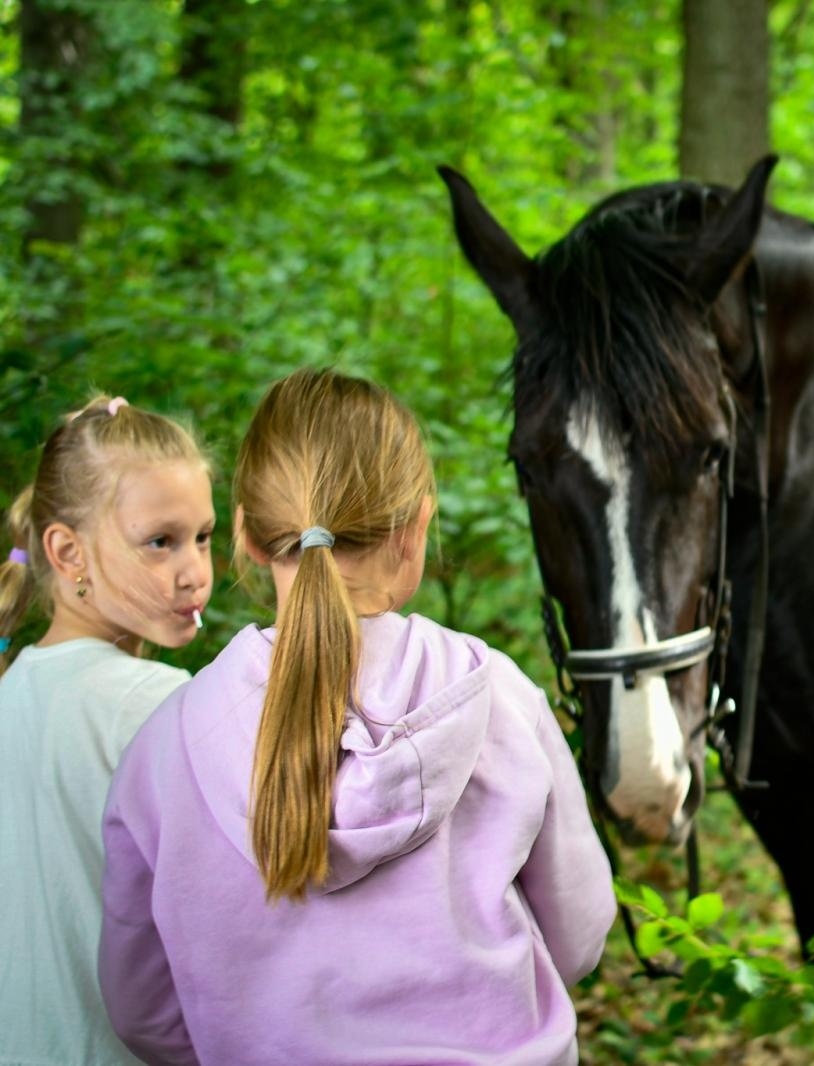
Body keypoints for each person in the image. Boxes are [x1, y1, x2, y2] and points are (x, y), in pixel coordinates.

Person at [98, 369, 616, 1066]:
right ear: (416, 528)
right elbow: (579, 937)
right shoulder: (499, 699)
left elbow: (144, 1012)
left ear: (248, 536)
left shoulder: (165, 750)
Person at [0, 396, 214, 1066]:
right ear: (69, 554)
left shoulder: (14, 690)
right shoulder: (153, 702)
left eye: (203, 537)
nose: (195, 572)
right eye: (160, 542)